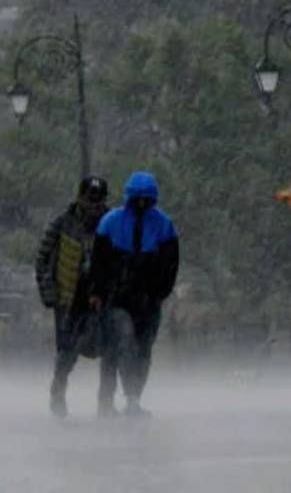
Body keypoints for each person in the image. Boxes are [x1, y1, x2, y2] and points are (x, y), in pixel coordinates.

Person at [88, 171, 179, 418]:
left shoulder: (164, 225)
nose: (141, 205)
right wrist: (97, 292)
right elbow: (98, 261)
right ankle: (121, 398)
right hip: (116, 299)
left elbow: (171, 264)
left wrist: (162, 291)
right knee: (124, 343)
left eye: (146, 200)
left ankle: (133, 398)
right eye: (137, 199)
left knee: (144, 350)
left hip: (149, 300)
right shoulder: (111, 222)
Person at [35, 175, 111, 419]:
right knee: (67, 351)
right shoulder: (61, 224)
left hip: (103, 297)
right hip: (69, 299)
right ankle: (58, 391)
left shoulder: (112, 224)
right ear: (80, 198)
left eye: (99, 201)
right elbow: (43, 258)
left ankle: (106, 402)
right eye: (90, 200)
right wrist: (50, 293)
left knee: (110, 351)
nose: (94, 206)